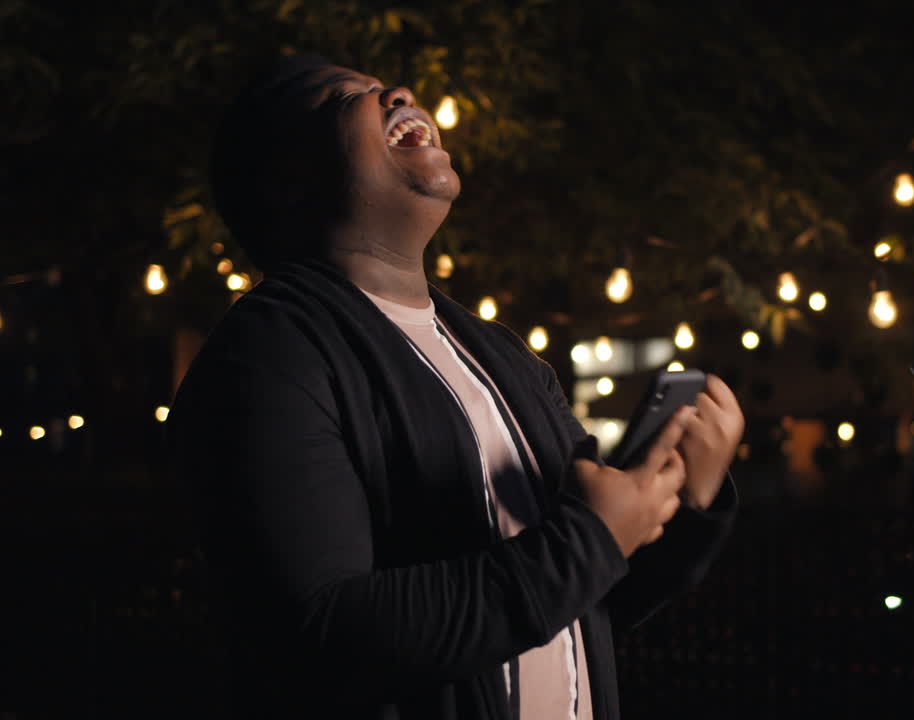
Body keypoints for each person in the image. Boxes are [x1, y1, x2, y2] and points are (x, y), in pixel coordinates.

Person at [165, 55, 742, 719]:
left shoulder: (503, 357)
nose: (397, 94)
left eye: (386, 86)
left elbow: (587, 596)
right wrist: (590, 540)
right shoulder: (268, 356)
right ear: (286, 182)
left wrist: (681, 499)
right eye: (342, 98)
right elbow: (322, 630)